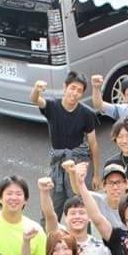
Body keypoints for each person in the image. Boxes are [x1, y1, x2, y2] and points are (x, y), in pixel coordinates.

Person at [30, 73, 101, 211]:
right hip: (58, 162)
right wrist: (36, 89)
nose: (75, 93)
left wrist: (96, 174)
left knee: (80, 205)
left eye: (79, 91)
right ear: (65, 87)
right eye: (72, 88)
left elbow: (93, 144)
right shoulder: (52, 106)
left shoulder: (87, 114)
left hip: (78, 162)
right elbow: (35, 99)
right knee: (52, 206)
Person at [39, 178, 112, 255]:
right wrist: (44, 192)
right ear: (65, 217)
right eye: (73, 213)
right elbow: (50, 215)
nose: (77, 217)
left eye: (82, 213)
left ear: (89, 217)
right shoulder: (57, 237)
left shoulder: (100, 248)